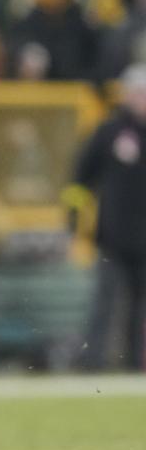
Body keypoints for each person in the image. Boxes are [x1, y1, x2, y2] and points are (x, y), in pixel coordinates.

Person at [65, 63, 146, 371]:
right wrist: (73, 215)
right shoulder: (110, 132)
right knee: (105, 305)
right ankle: (94, 364)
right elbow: (81, 177)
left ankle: (137, 366)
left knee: (140, 311)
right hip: (113, 236)